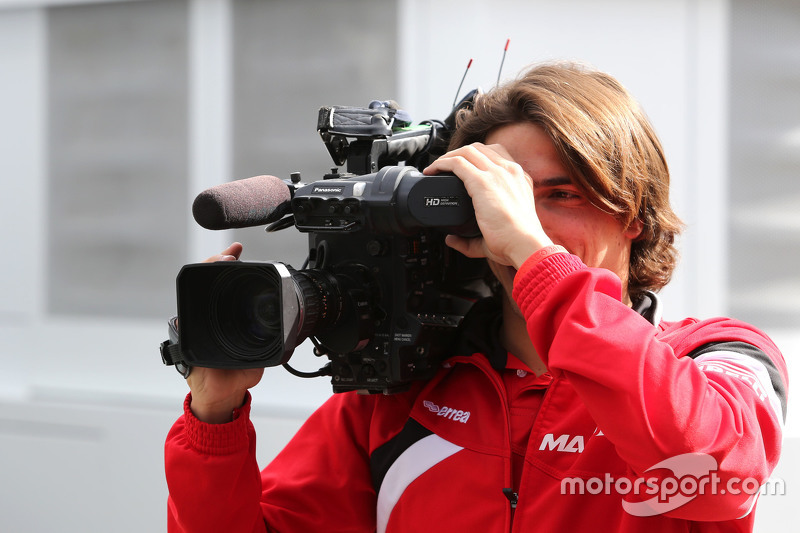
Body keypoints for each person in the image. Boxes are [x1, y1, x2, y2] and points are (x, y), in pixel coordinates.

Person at [164, 62, 788, 532]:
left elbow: (716, 474)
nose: (522, 221)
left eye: (561, 194)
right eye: (501, 197)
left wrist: (535, 255)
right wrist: (213, 420)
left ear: (635, 215)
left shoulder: (717, 357)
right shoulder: (404, 392)